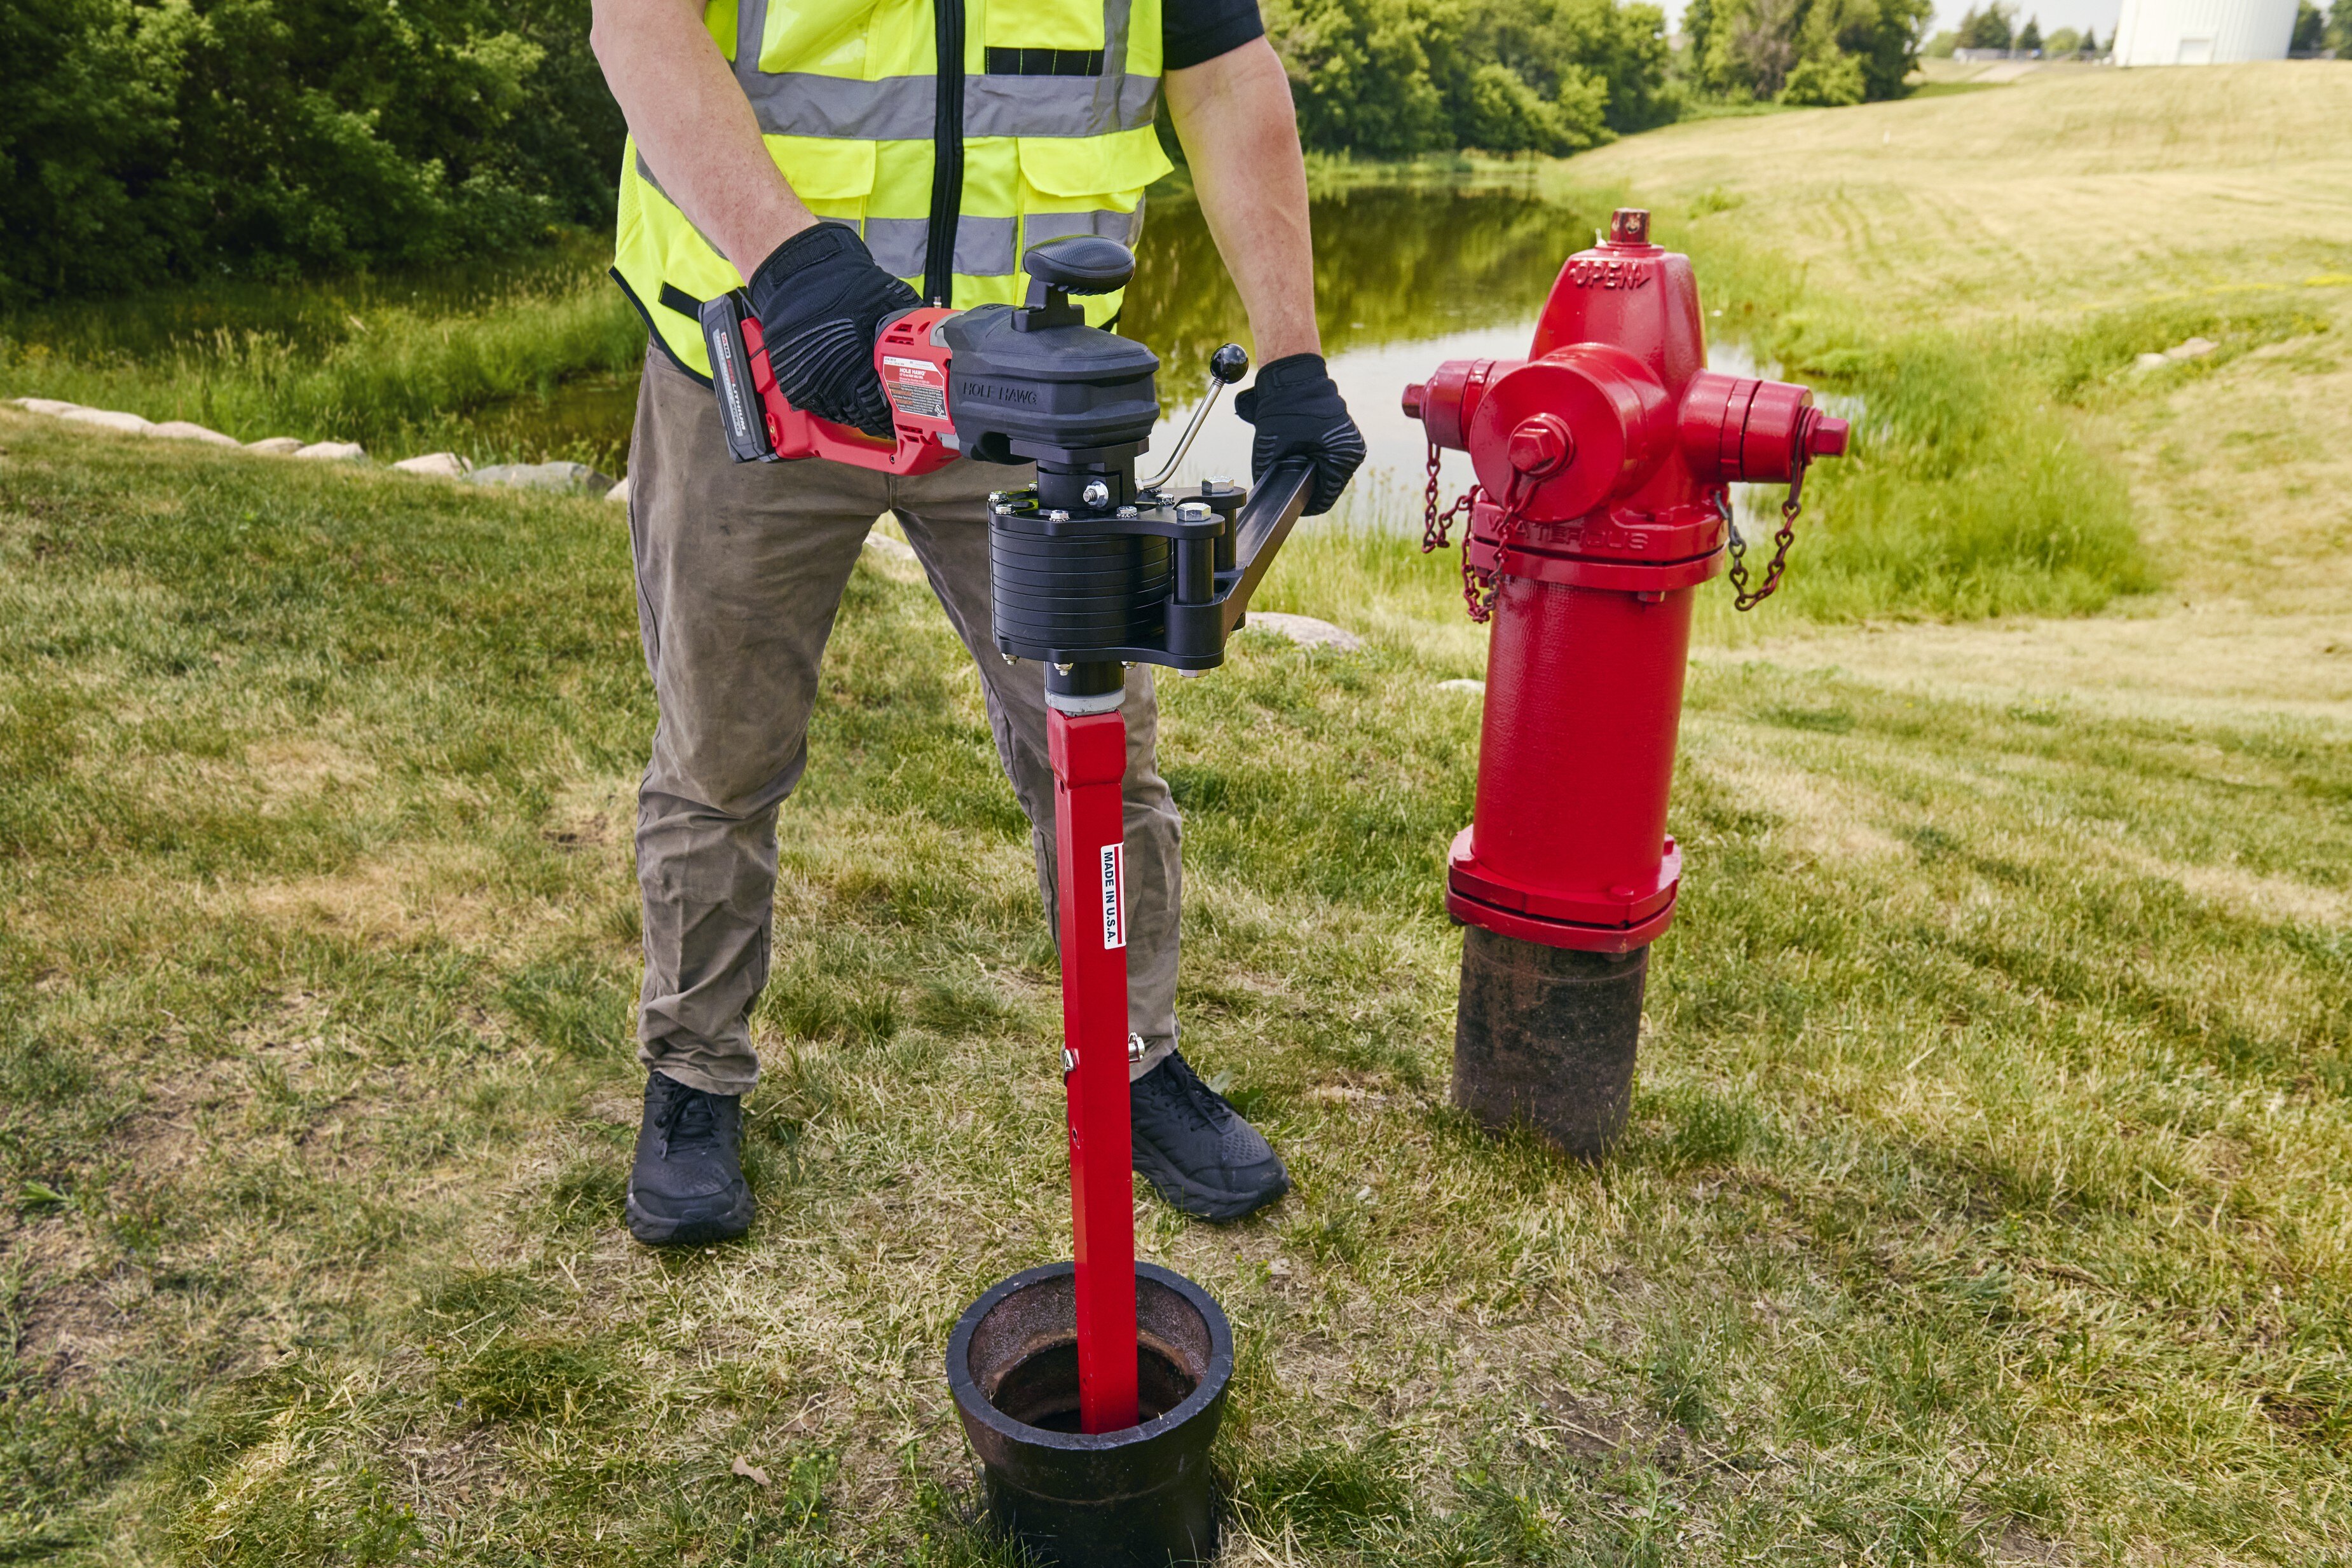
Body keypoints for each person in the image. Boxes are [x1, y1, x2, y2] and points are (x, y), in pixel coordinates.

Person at [589, 0, 1365, 1246]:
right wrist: (790, 260)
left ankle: (1133, 1059)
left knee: (1098, 757)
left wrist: (1292, 357)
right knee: (719, 753)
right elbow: (636, 22)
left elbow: (1223, 76)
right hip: (763, 361)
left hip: (1023, 401)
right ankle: (692, 1074)